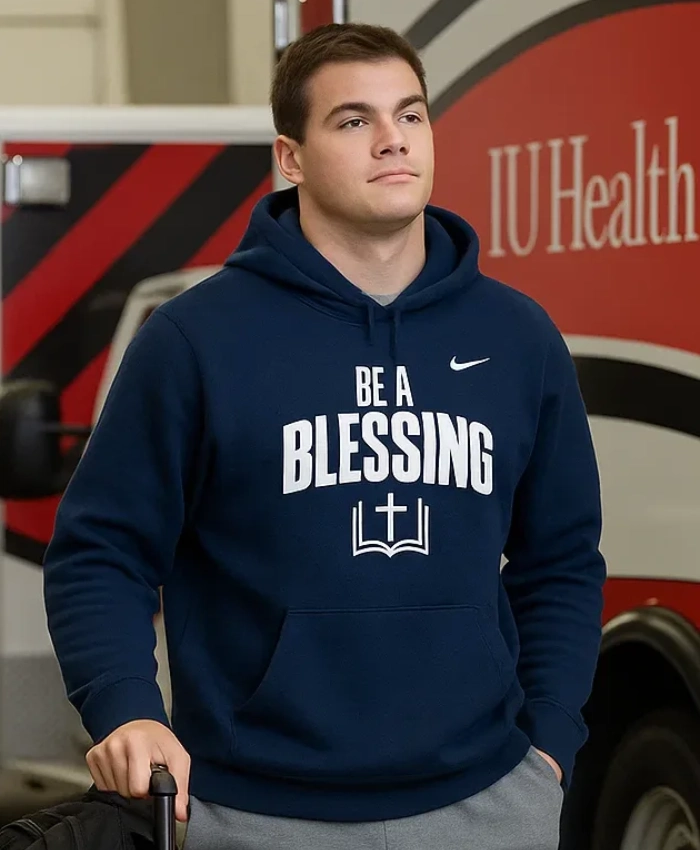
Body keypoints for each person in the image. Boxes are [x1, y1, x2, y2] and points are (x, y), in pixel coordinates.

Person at [43, 21, 606, 850]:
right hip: (253, 811)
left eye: (410, 115)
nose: (392, 140)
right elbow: (101, 551)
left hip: (489, 802)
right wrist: (127, 708)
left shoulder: (519, 337)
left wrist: (548, 741)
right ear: (291, 157)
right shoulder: (196, 340)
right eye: (353, 120)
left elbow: (561, 559)